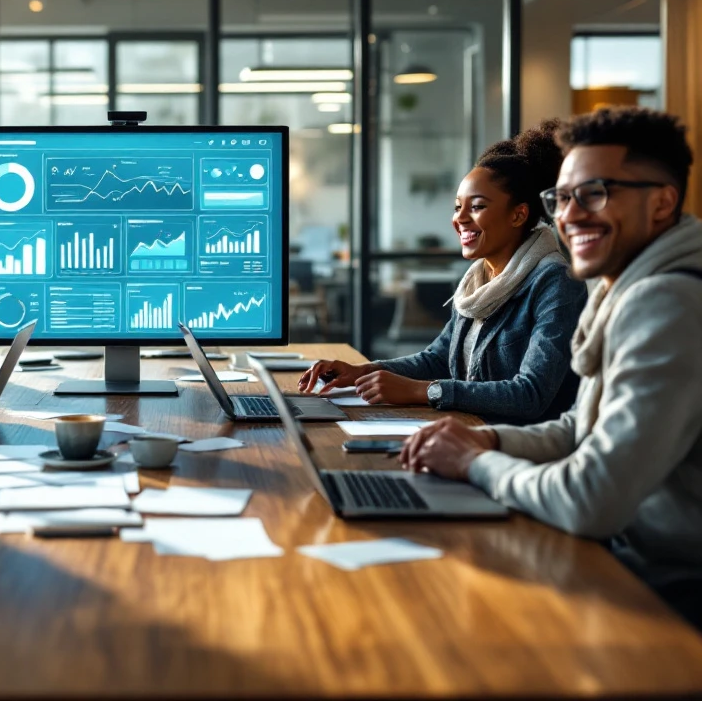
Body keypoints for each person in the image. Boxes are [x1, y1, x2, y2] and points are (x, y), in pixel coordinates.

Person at [401, 106, 702, 627]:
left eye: (595, 194)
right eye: (561, 198)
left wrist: (473, 464)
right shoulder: (625, 288)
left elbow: (590, 500)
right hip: (634, 560)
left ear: (662, 202)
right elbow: (579, 425)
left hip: (668, 588)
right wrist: (489, 442)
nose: (570, 215)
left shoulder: (666, 302)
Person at [298, 122, 587, 423]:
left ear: (518, 214)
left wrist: (423, 391)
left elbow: (530, 395)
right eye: (457, 207)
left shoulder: (556, 282)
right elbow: (437, 358)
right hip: (468, 431)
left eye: (476, 207)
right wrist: (361, 371)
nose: (459, 218)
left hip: (519, 451)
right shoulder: (479, 281)